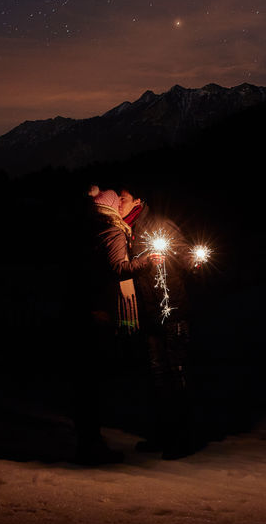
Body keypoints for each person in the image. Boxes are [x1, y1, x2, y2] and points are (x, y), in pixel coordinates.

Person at [70, 187, 160, 464]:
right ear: (110, 210)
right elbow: (118, 268)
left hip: (85, 307)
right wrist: (147, 261)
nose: (121, 204)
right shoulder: (112, 231)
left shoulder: (88, 229)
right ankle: (93, 446)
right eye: (117, 201)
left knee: (86, 379)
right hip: (101, 309)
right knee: (94, 378)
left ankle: (88, 440)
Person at [122, 192, 207, 459]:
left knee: (177, 374)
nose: (118, 204)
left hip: (172, 312)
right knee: (158, 377)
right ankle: (163, 435)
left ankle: (184, 440)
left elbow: (184, 257)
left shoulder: (159, 224)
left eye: (122, 198)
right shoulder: (128, 231)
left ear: (136, 201)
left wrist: (195, 262)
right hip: (150, 315)